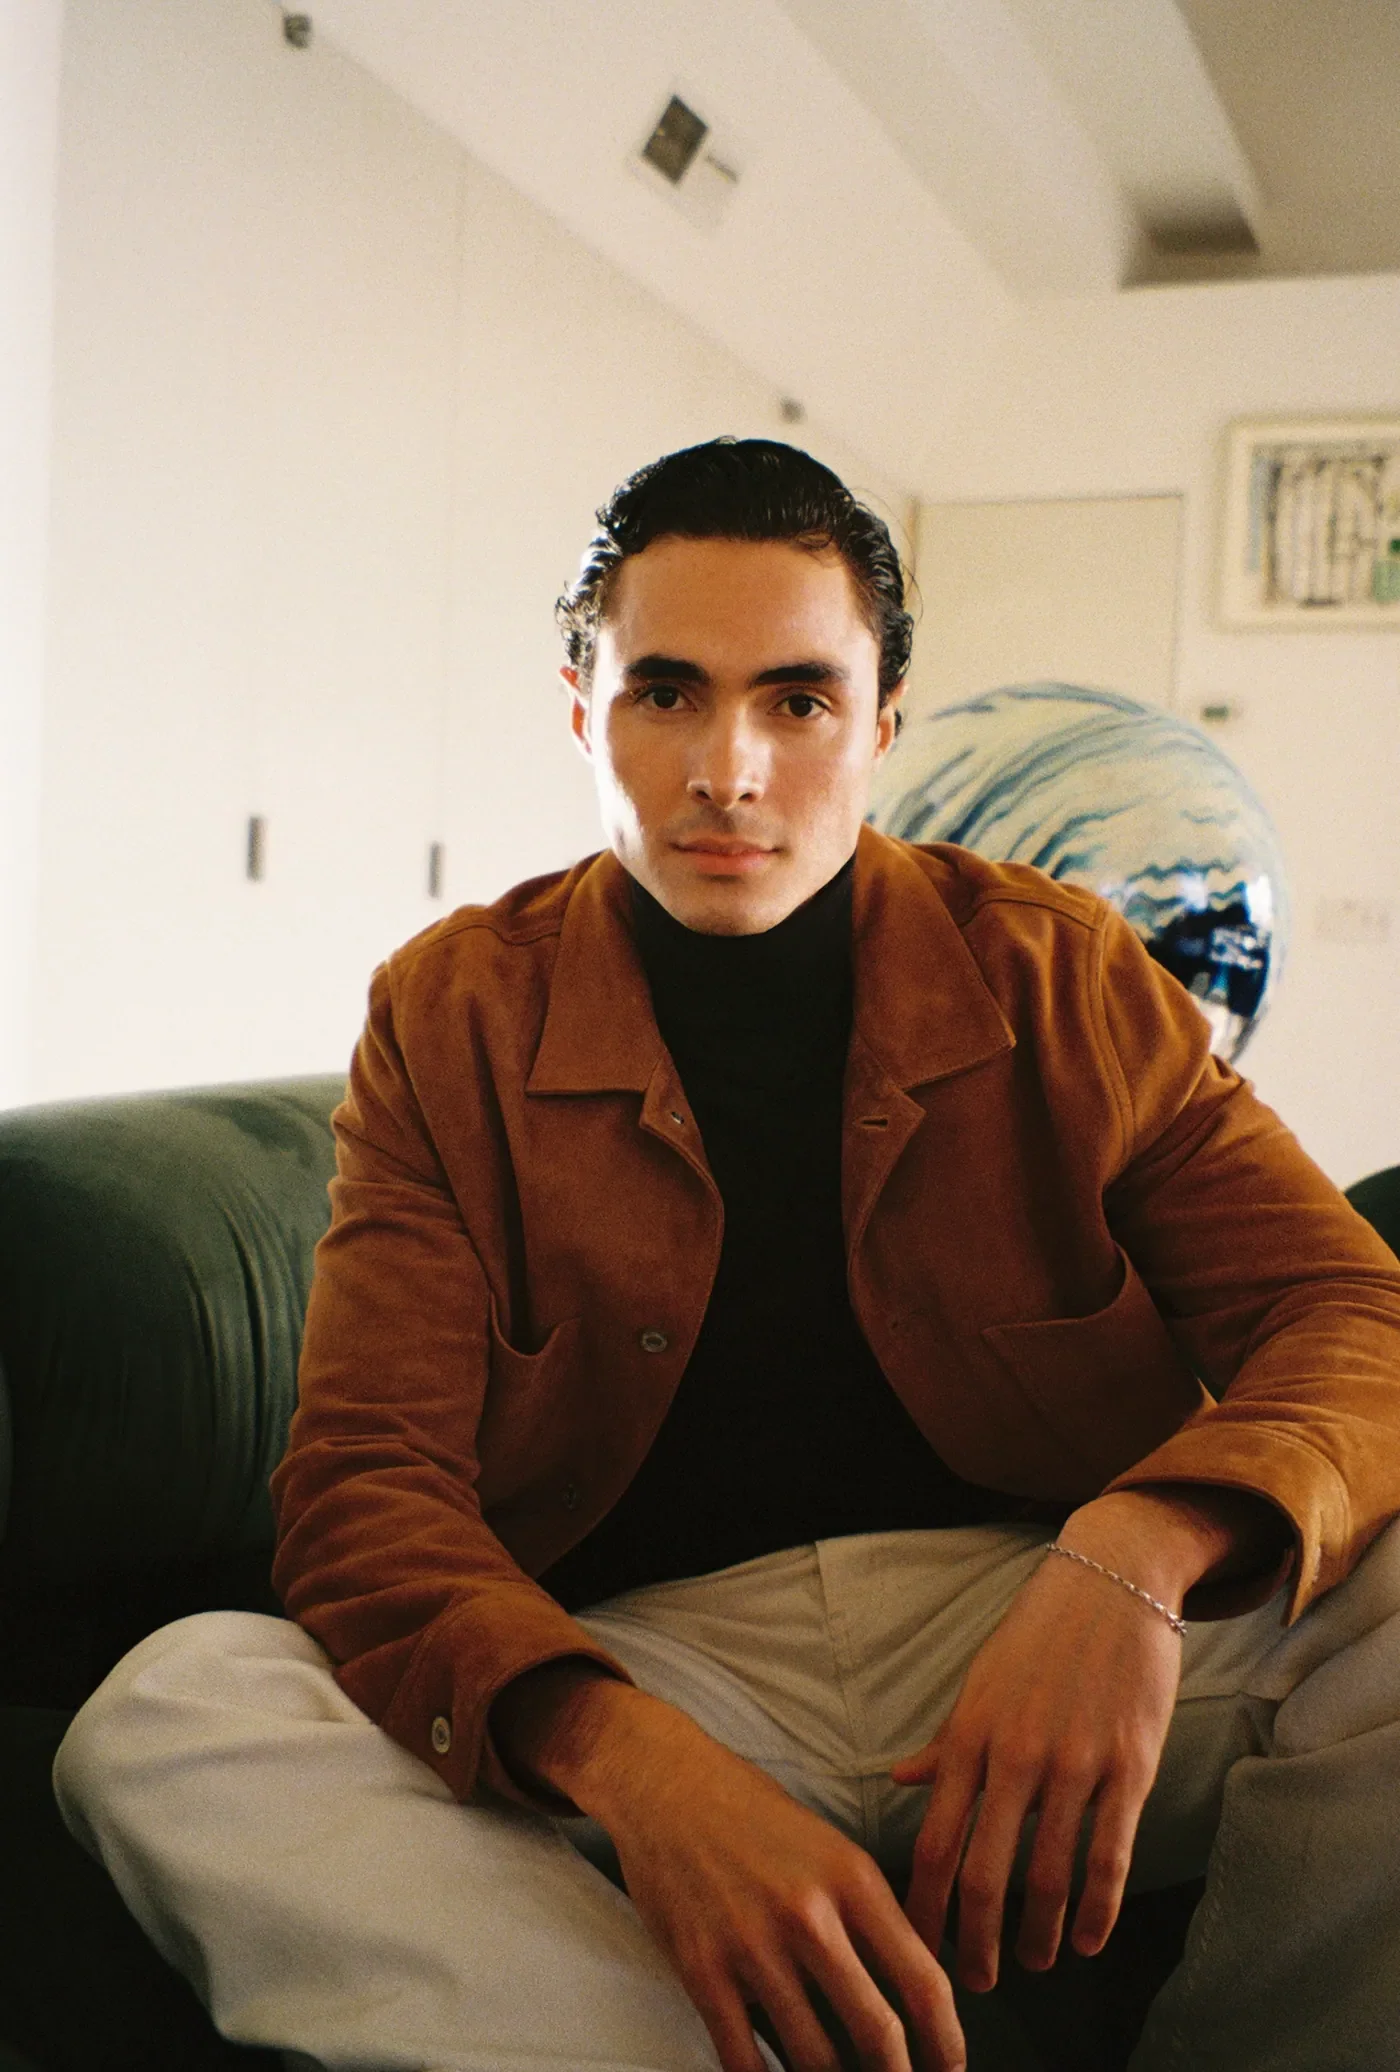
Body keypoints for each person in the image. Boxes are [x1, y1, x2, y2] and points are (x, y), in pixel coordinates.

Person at [54, 439, 1400, 2072]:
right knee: (173, 1708)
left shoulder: (1063, 973)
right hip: (638, 1658)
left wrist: (1135, 1553)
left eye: (799, 702)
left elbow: (1348, 1310)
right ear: (582, 711)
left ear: (883, 727)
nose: (730, 769)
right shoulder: (452, 1011)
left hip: (1027, 1625)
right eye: (666, 693)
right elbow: (361, 1489)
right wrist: (638, 1772)